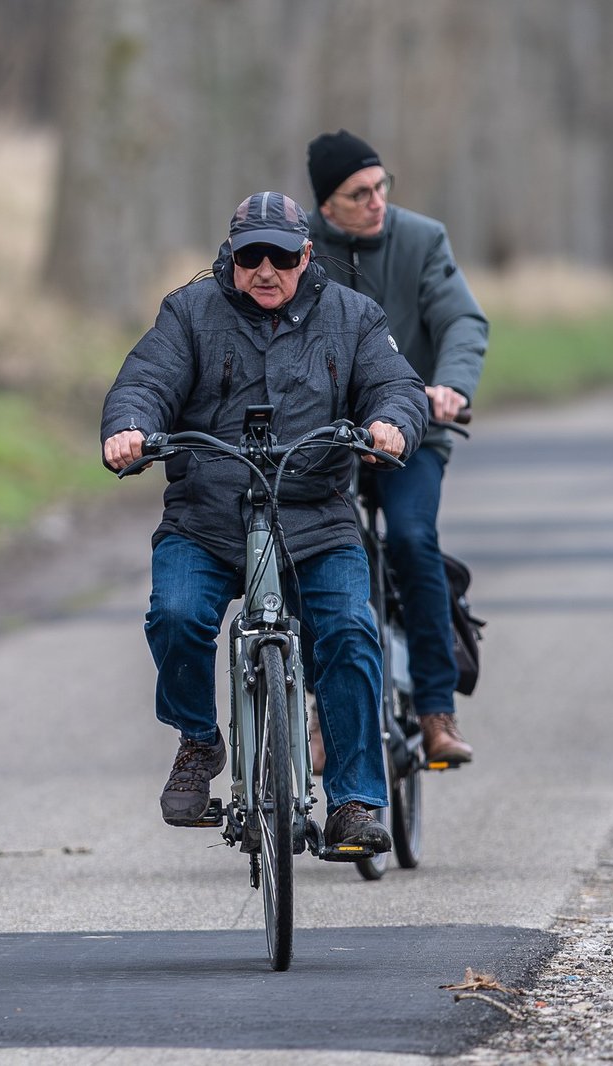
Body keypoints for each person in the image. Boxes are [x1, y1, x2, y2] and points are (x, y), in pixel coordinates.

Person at [101, 191, 428, 852]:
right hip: (207, 518)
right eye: (251, 257)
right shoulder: (189, 312)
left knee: (349, 630)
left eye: (281, 257)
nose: (266, 271)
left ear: (306, 255)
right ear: (232, 254)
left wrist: (391, 423)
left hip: (315, 518)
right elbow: (145, 381)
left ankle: (354, 802)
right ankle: (199, 741)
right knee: (175, 615)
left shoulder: (353, 316)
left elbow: (395, 385)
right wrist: (130, 426)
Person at [305, 130, 488, 767]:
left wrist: (451, 386)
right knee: (319, 554)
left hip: (414, 430)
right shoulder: (298, 252)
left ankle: (436, 710)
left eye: (381, 186)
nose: (377, 201)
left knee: (412, 538)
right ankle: (321, 708)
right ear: (326, 206)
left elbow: (461, 319)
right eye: (359, 194)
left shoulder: (422, 239)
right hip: (326, 439)